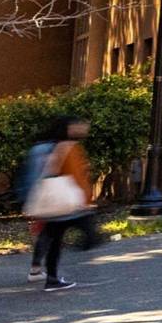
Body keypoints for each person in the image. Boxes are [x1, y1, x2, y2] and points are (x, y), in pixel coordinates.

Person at [25, 115, 101, 292]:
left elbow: (49, 172)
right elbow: (77, 176)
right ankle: (53, 275)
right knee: (88, 232)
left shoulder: (56, 146)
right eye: (79, 125)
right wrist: (85, 199)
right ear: (70, 128)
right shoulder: (69, 146)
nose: (84, 128)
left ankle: (50, 278)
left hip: (58, 202)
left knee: (55, 239)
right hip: (68, 202)